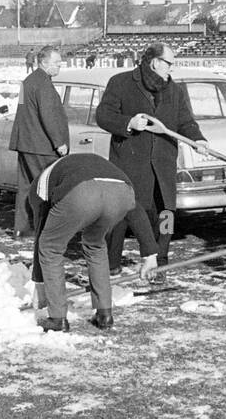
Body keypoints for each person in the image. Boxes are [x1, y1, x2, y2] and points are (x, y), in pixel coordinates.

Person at [96, 42, 208, 272]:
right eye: (169, 63)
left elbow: (185, 121)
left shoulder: (174, 90)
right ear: (155, 62)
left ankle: (160, 264)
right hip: (131, 164)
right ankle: (111, 266)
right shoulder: (121, 82)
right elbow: (103, 115)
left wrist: (198, 139)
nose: (172, 69)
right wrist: (128, 122)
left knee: (165, 216)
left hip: (163, 165)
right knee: (122, 215)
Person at [29, 153, 159, 332]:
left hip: (82, 192)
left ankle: (57, 318)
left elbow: (41, 237)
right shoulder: (77, 165)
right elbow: (135, 210)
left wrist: (40, 284)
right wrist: (150, 255)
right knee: (95, 244)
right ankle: (104, 314)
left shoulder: (38, 187)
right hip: (122, 192)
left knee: (50, 247)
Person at [9, 47, 69, 236]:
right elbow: (48, 116)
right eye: (57, 63)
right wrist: (59, 142)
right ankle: (45, 231)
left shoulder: (27, 82)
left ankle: (22, 228)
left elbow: (23, 111)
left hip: (25, 143)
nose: (60, 66)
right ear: (44, 62)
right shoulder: (44, 84)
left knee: (26, 187)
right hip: (42, 146)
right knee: (45, 188)